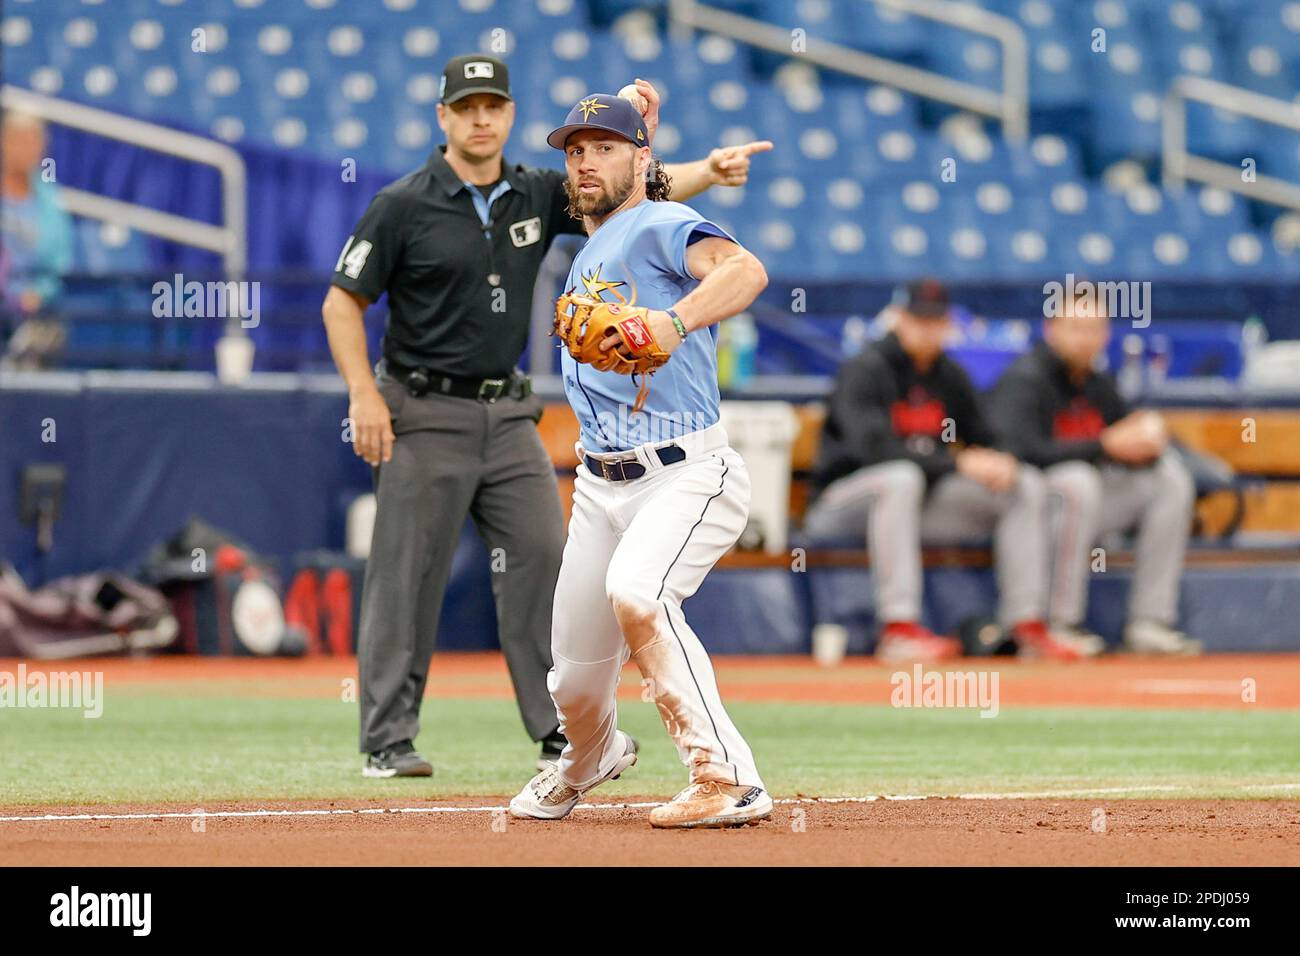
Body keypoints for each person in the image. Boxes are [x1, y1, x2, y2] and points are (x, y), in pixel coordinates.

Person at [321, 55, 772, 778]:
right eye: (465, 106)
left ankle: (561, 734)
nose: (480, 118)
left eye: (492, 105)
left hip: (507, 412)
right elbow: (342, 300)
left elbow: (625, 192)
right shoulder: (403, 203)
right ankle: (388, 738)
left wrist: (709, 173)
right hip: (422, 406)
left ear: (508, 113)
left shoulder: (534, 191)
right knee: (407, 574)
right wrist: (363, 394)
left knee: (541, 562)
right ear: (443, 116)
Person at [508, 93, 772, 828]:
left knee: (640, 594)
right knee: (575, 678)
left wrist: (674, 318)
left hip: (687, 471)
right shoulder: (588, 244)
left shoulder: (658, 223)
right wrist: (627, 103)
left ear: (643, 160)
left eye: (606, 146)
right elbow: (617, 143)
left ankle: (726, 778)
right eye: (575, 149)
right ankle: (588, 759)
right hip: (600, 486)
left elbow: (745, 271)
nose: (586, 160)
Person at [803, 280, 1089, 661]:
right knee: (899, 478)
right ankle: (898, 629)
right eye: (919, 319)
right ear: (899, 320)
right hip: (840, 505)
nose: (928, 329)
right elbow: (870, 450)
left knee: (1024, 483)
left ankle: (1026, 626)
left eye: (936, 321)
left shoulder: (948, 375)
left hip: (912, 505)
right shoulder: (865, 368)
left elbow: (988, 435)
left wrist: (1000, 460)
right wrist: (956, 461)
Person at [987, 295, 1201, 654]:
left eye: (1094, 329)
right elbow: (1017, 451)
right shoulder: (1025, 378)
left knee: (1169, 480)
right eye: (1075, 329)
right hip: (1033, 511)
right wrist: (1103, 445)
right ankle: (1058, 622)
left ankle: (1150, 620)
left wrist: (1145, 443)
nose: (1085, 339)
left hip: (1089, 508)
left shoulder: (1097, 383)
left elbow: (1120, 441)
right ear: (1051, 330)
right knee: (1077, 481)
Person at [1, 111, 73, 370]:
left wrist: (39, 293)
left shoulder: (51, 201)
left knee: (44, 334)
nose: (26, 148)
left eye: (33, 141)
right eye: (18, 139)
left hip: (34, 311)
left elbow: (60, 261)